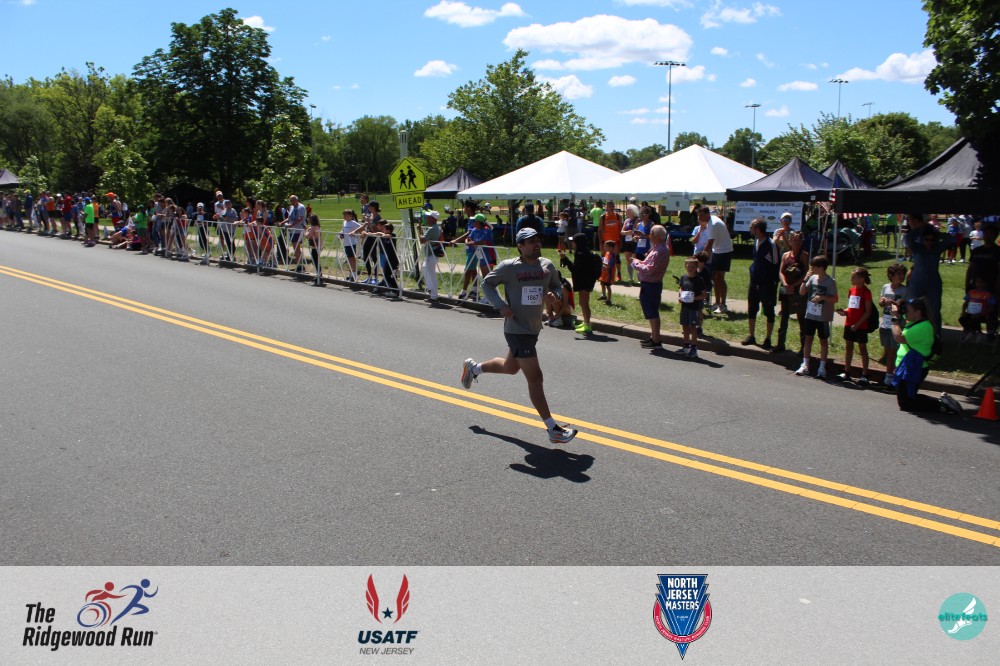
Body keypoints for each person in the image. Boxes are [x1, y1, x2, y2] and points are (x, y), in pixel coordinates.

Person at [460, 227, 578, 445]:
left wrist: (555, 295)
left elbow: (556, 284)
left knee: (510, 367)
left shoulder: (546, 265)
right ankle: (553, 429)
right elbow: (487, 284)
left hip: (533, 328)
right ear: (520, 246)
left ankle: (474, 368)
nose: (536, 244)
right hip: (516, 329)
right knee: (536, 377)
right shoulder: (510, 267)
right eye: (530, 241)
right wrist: (500, 305)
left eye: (537, 240)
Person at [890, 297, 962, 414]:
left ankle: (943, 404)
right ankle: (941, 404)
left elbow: (899, 337)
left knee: (906, 402)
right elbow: (903, 312)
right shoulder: (914, 321)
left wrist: (894, 318)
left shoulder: (923, 327)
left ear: (918, 312)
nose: (905, 313)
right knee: (906, 400)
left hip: (914, 368)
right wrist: (898, 304)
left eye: (908, 310)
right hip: (907, 367)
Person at [905, 213, 952, 334]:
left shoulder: (937, 248)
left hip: (933, 280)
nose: (929, 242)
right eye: (926, 239)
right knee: (911, 306)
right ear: (922, 239)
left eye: (932, 240)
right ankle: (910, 333)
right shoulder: (917, 248)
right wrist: (921, 228)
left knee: (934, 308)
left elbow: (950, 238)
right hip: (917, 279)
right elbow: (908, 238)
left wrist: (935, 233)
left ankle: (936, 335)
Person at [795, 255, 838, 378]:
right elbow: (802, 292)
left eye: (813, 267)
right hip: (810, 314)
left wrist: (823, 297)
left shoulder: (830, 281)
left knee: (823, 341)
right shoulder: (812, 278)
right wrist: (805, 279)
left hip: (823, 317)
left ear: (821, 267)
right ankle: (805, 364)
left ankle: (822, 367)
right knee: (808, 339)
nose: (811, 269)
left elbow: (835, 299)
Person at [630, 225, 670, 349]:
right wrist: (639, 261)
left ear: (658, 236)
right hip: (649, 284)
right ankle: (654, 337)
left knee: (652, 312)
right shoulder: (657, 248)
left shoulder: (660, 251)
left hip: (651, 285)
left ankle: (656, 340)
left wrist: (635, 263)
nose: (650, 236)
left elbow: (649, 269)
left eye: (652, 234)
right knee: (651, 312)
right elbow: (648, 264)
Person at [743, 218, 779, 349]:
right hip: (754, 281)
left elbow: (776, 263)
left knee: (769, 311)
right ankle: (751, 336)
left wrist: (773, 282)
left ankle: (768, 339)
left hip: (767, 283)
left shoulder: (771, 244)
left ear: (758, 229)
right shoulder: (756, 241)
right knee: (752, 308)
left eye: (751, 227)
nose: (750, 229)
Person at [836, 267, 874, 384]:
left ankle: (865, 374)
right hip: (849, 323)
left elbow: (868, 311)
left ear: (861, 279)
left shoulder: (866, 292)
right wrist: (845, 312)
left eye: (853, 277)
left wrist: (857, 325)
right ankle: (847, 371)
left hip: (861, 325)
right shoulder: (851, 290)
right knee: (849, 347)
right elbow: (851, 307)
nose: (851, 279)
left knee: (862, 348)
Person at [560, 232, 602, 336]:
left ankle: (587, 325)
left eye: (573, 242)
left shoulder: (580, 254)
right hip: (587, 281)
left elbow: (575, 269)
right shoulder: (585, 252)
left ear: (577, 243)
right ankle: (586, 323)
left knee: (584, 303)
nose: (572, 243)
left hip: (584, 282)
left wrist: (565, 259)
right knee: (583, 303)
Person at [775, 231, 808, 354]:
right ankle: (780, 344)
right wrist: (785, 284)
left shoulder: (804, 255)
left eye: (799, 240)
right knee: (784, 317)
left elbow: (806, 273)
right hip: (786, 289)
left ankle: (803, 348)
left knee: (801, 318)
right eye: (794, 240)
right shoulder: (785, 255)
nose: (796, 243)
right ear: (790, 241)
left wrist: (794, 286)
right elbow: (781, 272)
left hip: (798, 290)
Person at [878, 263, 909, 387]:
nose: (901, 277)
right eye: (899, 274)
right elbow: (881, 303)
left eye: (903, 274)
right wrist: (882, 301)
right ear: (891, 275)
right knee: (887, 351)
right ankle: (889, 376)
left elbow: (907, 308)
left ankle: (890, 378)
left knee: (893, 352)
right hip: (886, 323)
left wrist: (901, 303)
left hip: (897, 324)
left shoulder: (905, 290)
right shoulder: (886, 287)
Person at [700, 206, 734, 315]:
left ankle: (723, 305)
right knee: (714, 277)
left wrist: (701, 258)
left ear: (707, 214)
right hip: (717, 251)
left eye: (701, 215)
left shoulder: (713, 224)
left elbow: (709, 244)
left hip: (724, 251)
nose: (699, 217)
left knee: (720, 277)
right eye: (698, 215)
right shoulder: (710, 222)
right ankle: (717, 302)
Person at [678, 257, 707, 358]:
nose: (690, 268)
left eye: (692, 267)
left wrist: (694, 298)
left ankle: (694, 348)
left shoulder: (699, 280)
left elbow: (704, 294)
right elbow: (681, 288)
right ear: (685, 266)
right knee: (685, 326)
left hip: (694, 308)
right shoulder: (683, 277)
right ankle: (686, 346)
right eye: (688, 266)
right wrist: (680, 296)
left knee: (692, 327)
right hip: (685, 306)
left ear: (696, 268)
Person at [958, 276, 996, 342]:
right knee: (962, 319)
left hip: (982, 314)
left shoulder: (988, 295)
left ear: (986, 283)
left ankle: (976, 332)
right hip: (971, 313)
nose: (979, 284)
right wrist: (963, 311)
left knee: (975, 319)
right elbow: (965, 304)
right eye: (977, 282)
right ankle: (974, 331)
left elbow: (992, 308)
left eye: (981, 282)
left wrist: (981, 314)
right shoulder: (971, 292)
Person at [418, 209, 444, 303]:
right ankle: (430, 289)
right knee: (425, 268)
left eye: (428, 217)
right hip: (431, 253)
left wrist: (419, 230)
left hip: (431, 254)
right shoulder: (435, 227)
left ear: (433, 218)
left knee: (431, 274)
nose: (426, 218)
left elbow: (422, 240)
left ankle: (434, 296)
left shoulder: (432, 228)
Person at [598, 201, 622, 281]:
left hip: (615, 241)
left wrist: (621, 241)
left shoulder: (618, 216)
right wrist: (600, 242)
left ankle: (618, 273)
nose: (611, 208)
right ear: (606, 207)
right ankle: (603, 274)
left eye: (612, 206)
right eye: (609, 206)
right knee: (604, 258)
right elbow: (600, 230)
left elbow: (620, 229)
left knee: (616, 258)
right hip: (605, 241)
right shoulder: (603, 217)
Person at [284, 194, 308, 272]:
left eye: (293, 200)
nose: (292, 202)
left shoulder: (301, 207)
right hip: (292, 230)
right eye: (291, 200)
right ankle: (299, 265)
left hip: (298, 230)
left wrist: (291, 225)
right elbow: (289, 218)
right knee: (295, 247)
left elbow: (301, 219)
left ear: (297, 200)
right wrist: (282, 223)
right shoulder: (291, 207)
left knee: (296, 247)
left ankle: (300, 265)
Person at [598, 239, 617, 305]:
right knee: (602, 283)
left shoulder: (613, 256)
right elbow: (605, 260)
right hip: (604, 273)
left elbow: (609, 265)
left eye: (605, 246)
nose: (604, 247)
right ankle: (603, 295)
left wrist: (601, 262)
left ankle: (609, 300)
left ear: (611, 248)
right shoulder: (607, 253)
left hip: (609, 274)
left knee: (608, 286)